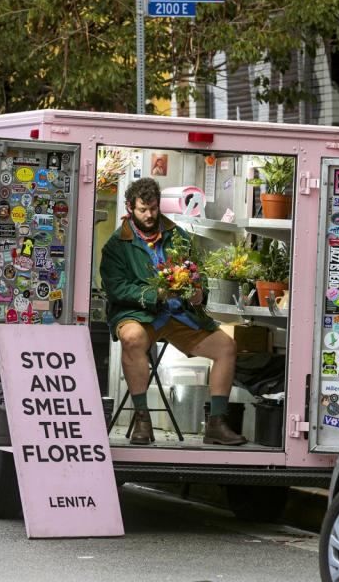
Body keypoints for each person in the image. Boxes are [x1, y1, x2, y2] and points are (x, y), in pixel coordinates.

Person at [100, 177, 246, 446]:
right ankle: (142, 420)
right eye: (143, 209)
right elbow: (116, 289)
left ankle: (216, 423)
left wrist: (199, 293)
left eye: (153, 208)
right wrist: (155, 295)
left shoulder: (178, 235)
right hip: (139, 314)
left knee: (226, 347)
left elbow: (195, 273)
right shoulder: (116, 245)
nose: (149, 215)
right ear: (130, 207)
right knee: (131, 339)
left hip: (179, 314)